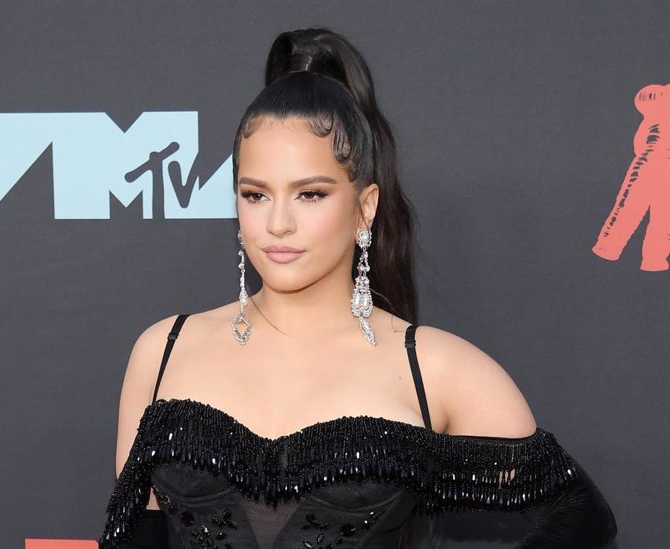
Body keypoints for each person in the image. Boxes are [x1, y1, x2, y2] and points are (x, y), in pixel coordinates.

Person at [99, 27, 618, 549]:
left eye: (310, 195)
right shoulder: (163, 352)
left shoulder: (436, 370)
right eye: (255, 194)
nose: (277, 223)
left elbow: (579, 518)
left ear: (364, 205)